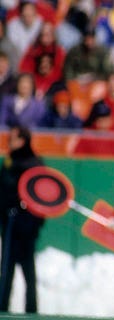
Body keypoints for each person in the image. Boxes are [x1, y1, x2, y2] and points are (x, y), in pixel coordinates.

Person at [0, 125, 44, 313]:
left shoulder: (33, 164)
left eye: (14, 138)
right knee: (7, 270)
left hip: (24, 225)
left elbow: (40, 195)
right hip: (9, 223)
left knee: (27, 271)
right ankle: (3, 308)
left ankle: (31, 309)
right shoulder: (10, 161)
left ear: (22, 141)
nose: (10, 141)